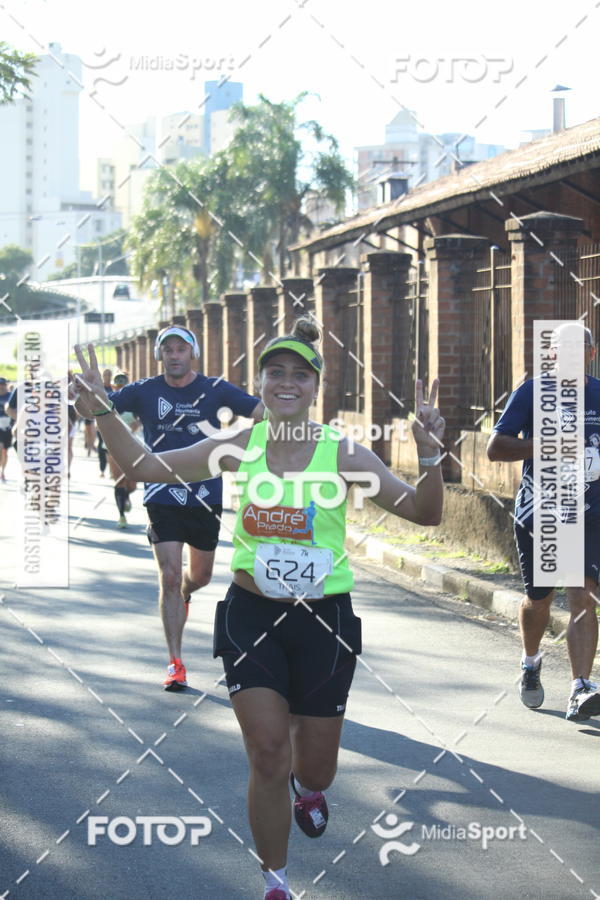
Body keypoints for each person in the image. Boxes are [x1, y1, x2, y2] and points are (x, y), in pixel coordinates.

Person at [72, 317, 445, 899]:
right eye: (276, 372)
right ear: (263, 382)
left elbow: (424, 513)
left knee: (314, 767)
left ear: (316, 388)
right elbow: (147, 469)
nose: (287, 382)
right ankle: (276, 879)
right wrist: (100, 411)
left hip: (326, 621)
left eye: (301, 374)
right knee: (268, 752)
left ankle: (310, 787)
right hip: (251, 615)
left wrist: (429, 456)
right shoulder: (238, 445)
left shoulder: (342, 451)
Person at [105, 325, 263, 691]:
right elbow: (99, 410)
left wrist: (245, 442)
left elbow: (263, 413)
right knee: (170, 576)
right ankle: (175, 662)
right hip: (161, 493)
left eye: (181, 349)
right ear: (160, 354)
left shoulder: (215, 389)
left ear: (192, 353)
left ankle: (186, 592)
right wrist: (88, 394)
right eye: (168, 349)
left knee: (200, 576)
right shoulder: (143, 391)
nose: (174, 355)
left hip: (205, 496)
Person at [487, 322, 600, 722]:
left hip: (589, 513)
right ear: (551, 355)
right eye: (559, 349)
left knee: (582, 593)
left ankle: (580, 687)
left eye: (577, 348)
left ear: (590, 353)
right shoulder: (533, 392)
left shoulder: (599, 394)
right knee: (540, 600)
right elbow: (495, 447)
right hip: (542, 512)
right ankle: (531, 661)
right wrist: (545, 444)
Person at [108, 372, 139, 528]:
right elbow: (98, 422)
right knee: (119, 481)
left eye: (123, 386)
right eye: (118, 386)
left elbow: (145, 418)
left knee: (132, 485)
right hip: (112, 447)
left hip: (133, 448)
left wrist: (137, 424)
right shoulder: (108, 402)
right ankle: (121, 516)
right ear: (114, 386)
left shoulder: (135, 403)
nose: (120, 389)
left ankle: (126, 496)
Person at [0, 377, 13, 481]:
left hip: (8, 426)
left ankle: (2, 472)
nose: (1, 386)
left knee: (5, 451)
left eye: (3, 384)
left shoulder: (10, 396)